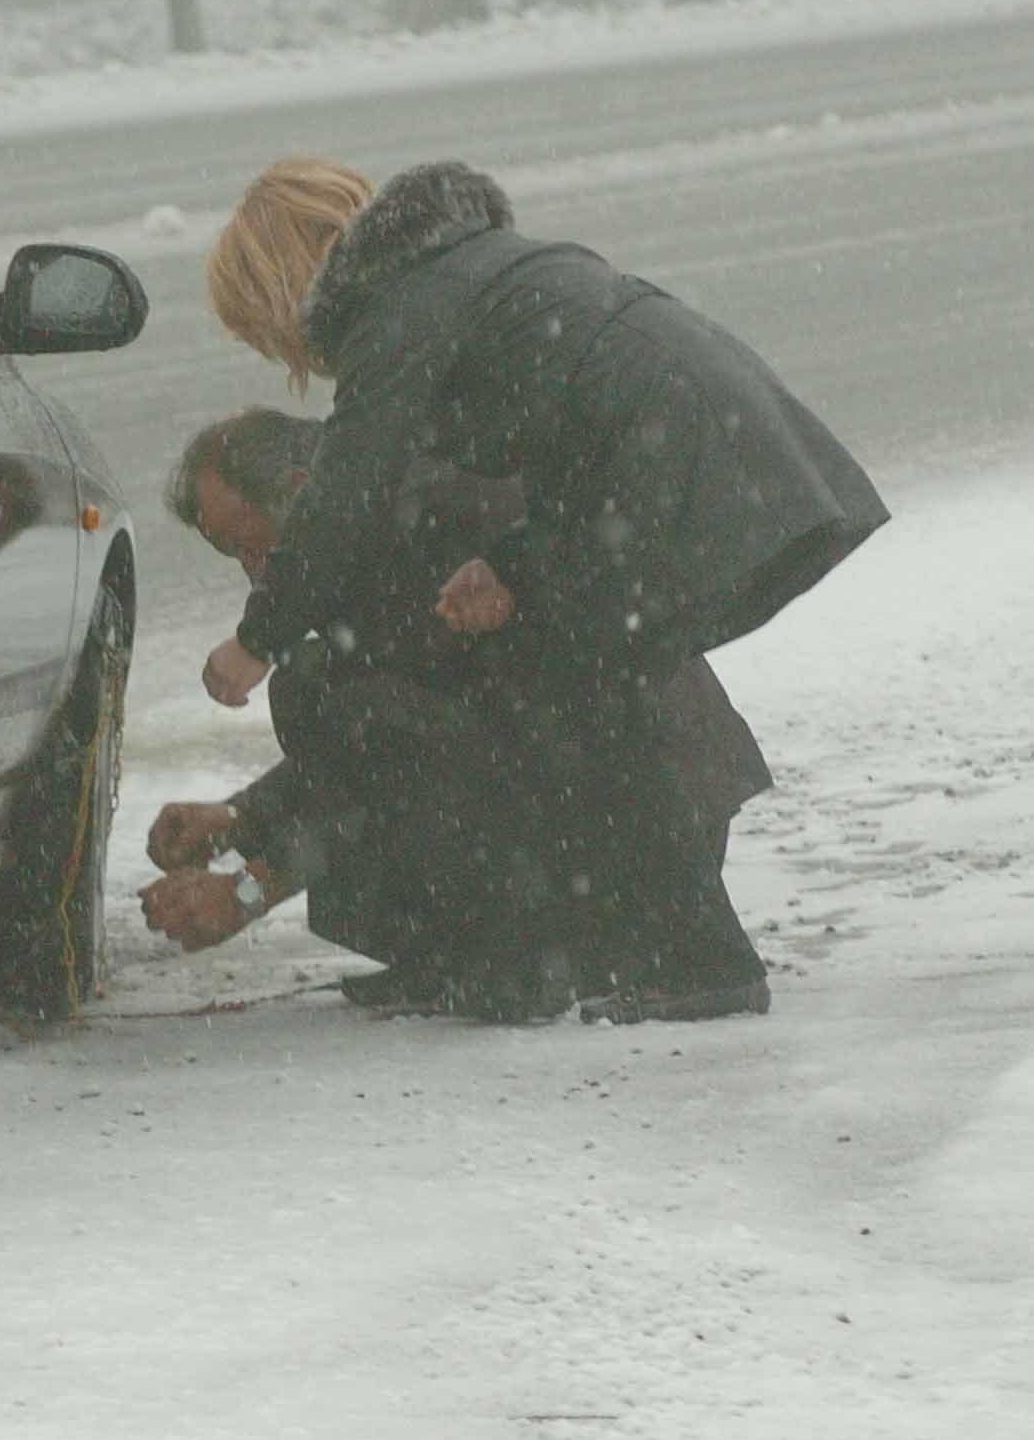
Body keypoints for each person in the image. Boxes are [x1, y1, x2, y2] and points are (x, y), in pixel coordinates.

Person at [195, 158, 887, 1021]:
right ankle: (607, 954)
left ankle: (683, 966)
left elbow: (346, 497)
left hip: (675, 462)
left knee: (579, 698)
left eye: (267, 334)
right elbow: (553, 445)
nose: (288, 359)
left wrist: (255, 640)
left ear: (284, 288)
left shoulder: (397, 314)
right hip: (707, 440)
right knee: (576, 690)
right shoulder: (453, 275)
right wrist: (513, 568)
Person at [139, 408, 772, 1020]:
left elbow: (385, 761)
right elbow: (378, 751)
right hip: (598, 790)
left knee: (318, 694)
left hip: (642, 819)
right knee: (324, 695)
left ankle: (519, 956)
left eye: (253, 548)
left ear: (304, 492)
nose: (255, 574)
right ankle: (472, 953)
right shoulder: (374, 508)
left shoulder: (413, 529)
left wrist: (246, 892)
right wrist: (238, 819)